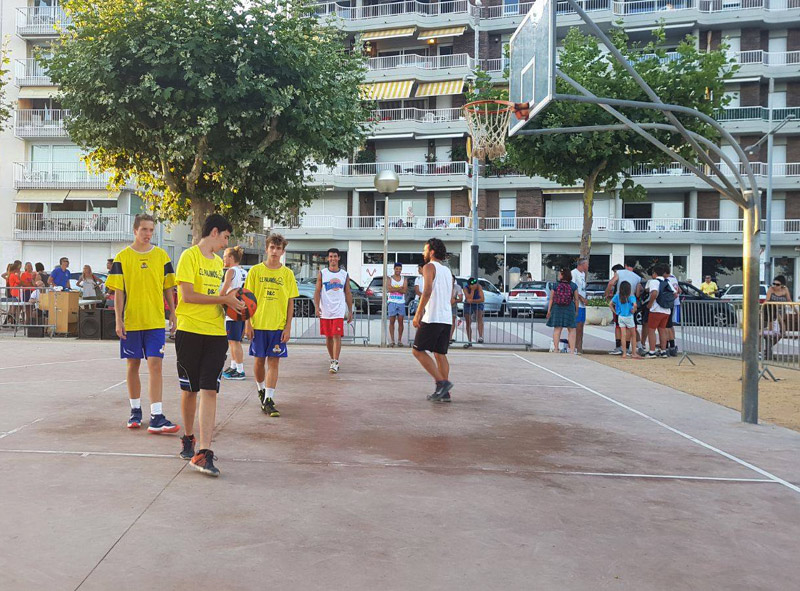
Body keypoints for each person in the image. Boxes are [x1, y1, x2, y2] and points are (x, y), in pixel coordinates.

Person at [175, 214, 244, 477]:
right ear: (215, 232)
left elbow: (220, 297)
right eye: (226, 237)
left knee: (210, 390)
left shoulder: (219, 265)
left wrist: (234, 303)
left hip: (216, 333)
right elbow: (188, 296)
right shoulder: (189, 257)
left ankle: (204, 451)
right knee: (190, 390)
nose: (227, 243)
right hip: (190, 330)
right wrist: (222, 299)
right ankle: (189, 437)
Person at [106, 213, 181, 434]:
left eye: (151, 230)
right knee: (133, 365)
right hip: (132, 321)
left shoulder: (161, 256)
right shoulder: (122, 257)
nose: (148, 234)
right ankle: (135, 411)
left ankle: (157, 415)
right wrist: (119, 319)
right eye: (144, 230)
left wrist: (173, 314)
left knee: (156, 364)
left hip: (155, 320)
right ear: (135, 230)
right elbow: (119, 292)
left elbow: (169, 288)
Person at [244, 233, 299, 418]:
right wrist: (247, 323)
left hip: (277, 325)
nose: (275, 251)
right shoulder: (255, 272)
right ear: (266, 249)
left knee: (274, 362)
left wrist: (288, 327)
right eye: (272, 248)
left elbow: (291, 302)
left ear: (283, 251)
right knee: (259, 361)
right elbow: (246, 299)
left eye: (279, 248)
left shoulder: (287, 274)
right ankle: (261, 389)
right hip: (258, 324)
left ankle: (269, 399)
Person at [411, 238, 454, 402]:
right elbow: (449, 297)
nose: (423, 252)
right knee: (440, 354)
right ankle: (445, 392)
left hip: (433, 317)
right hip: (445, 318)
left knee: (417, 351)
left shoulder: (429, 267)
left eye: (425, 249)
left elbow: (427, 291)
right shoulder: (446, 271)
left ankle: (442, 383)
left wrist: (418, 313)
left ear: (432, 252)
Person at [314, 247, 353, 373]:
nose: (333, 259)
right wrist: (316, 306)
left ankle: (336, 361)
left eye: (335, 256)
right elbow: (317, 291)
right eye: (331, 256)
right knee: (328, 336)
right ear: (328, 258)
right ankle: (332, 359)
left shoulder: (344, 274)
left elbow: (348, 293)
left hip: (338, 310)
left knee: (337, 335)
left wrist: (350, 310)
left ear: (339, 258)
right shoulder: (322, 273)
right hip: (326, 309)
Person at [220, 246, 248, 381]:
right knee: (233, 341)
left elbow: (224, 291)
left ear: (231, 258)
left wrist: (218, 300)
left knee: (234, 341)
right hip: (242, 308)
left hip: (232, 309)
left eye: (225, 256)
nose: (223, 259)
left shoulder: (231, 271)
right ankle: (233, 366)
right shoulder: (244, 271)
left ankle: (240, 370)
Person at [605, 263, 643, 355]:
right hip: (629, 314)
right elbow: (638, 294)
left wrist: (606, 294)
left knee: (619, 328)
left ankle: (620, 349)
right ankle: (631, 348)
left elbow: (611, 283)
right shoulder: (637, 278)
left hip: (620, 313)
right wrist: (633, 310)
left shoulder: (618, 294)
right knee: (632, 330)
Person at [546, 267, 579, 354]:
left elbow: (551, 299)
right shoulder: (573, 286)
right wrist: (576, 310)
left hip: (557, 308)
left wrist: (549, 310)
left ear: (562, 275)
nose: (558, 275)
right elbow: (576, 299)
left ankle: (556, 349)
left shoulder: (555, 285)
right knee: (571, 330)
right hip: (569, 308)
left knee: (557, 329)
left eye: (559, 274)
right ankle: (572, 350)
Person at [645, 264, 674, 359]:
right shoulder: (667, 282)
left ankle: (652, 351)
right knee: (662, 330)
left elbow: (654, 293)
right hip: (666, 310)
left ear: (654, 273)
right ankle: (663, 351)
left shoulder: (654, 281)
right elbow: (675, 294)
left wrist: (650, 304)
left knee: (651, 330)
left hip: (656, 309)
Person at [762, 275, 792, 360]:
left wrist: (796, 311)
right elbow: (767, 300)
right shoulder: (771, 289)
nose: (775, 286)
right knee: (772, 332)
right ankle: (766, 351)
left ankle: (767, 349)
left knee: (782, 333)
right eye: (774, 284)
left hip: (781, 312)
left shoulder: (785, 290)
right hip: (772, 312)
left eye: (777, 284)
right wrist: (762, 308)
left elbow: (789, 300)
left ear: (782, 285)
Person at [610, 281, 641, 359]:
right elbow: (635, 305)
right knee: (633, 335)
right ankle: (633, 353)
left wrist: (616, 312)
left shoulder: (617, 296)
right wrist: (633, 310)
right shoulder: (631, 297)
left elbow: (610, 304)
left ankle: (624, 353)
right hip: (629, 317)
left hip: (620, 316)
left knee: (623, 335)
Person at [386, 263, 407, 347]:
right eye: (397, 269)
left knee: (401, 321)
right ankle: (392, 340)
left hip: (401, 302)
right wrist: (399, 288)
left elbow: (405, 291)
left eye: (400, 269)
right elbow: (389, 289)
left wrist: (395, 289)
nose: (398, 270)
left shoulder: (404, 279)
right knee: (392, 321)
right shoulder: (390, 278)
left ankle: (399, 340)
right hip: (392, 302)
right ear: (394, 269)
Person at [571, 258, 588, 354]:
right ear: (582, 264)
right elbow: (573, 289)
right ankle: (575, 347)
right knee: (577, 326)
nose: (587, 267)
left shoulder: (583, 274)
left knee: (581, 325)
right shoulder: (574, 273)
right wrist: (581, 298)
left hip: (583, 305)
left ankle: (579, 346)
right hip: (577, 303)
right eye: (586, 264)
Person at [663, 267, 682, 357]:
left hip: (668, 303)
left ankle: (666, 347)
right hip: (674, 302)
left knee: (666, 326)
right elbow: (679, 290)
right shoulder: (674, 277)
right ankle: (672, 345)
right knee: (670, 325)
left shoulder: (666, 280)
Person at [462, 277, 485, 348]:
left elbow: (482, 299)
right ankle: (469, 340)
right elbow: (469, 298)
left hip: (477, 303)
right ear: (469, 285)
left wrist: (473, 301)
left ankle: (480, 337)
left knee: (479, 318)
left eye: (475, 284)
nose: (475, 285)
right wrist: (472, 290)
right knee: (468, 322)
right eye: (472, 285)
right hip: (468, 305)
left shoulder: (479, 287)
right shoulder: (465, 288)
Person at [449, 276, 462, 344]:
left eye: (452, 280)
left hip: (453, 305)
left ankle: (450, 337)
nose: (451, 281)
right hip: (445, 305)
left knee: (453, 321)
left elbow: (460, 298)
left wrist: (455, 300)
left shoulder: (457, 287)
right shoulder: (444, 286)